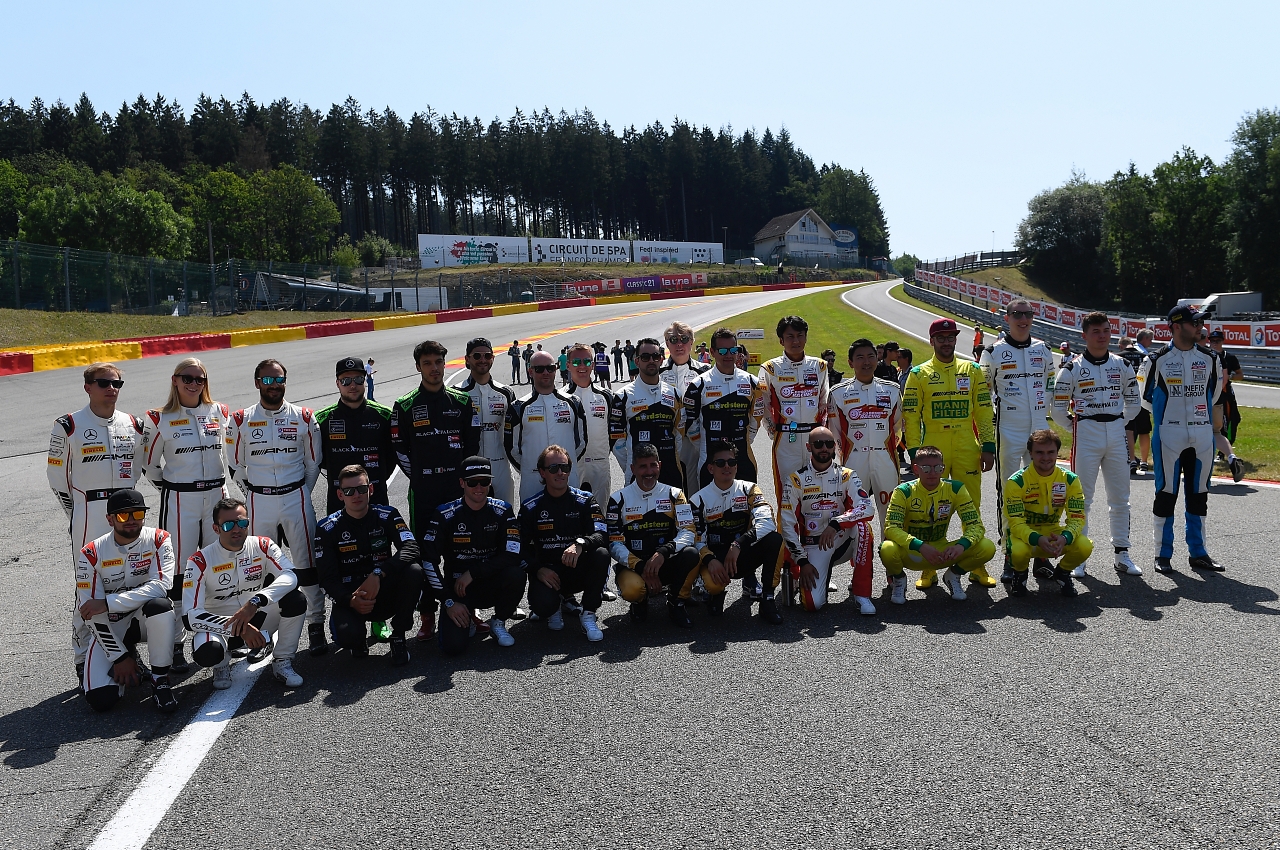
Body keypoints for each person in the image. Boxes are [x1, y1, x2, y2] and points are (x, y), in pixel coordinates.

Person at [49, 362, 145, 682]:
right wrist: (76, 514)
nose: (111, 388)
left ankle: (128, 650)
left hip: (127, 513)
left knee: (129, 581)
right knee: (87, 585)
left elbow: (140, 469)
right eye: (103, 383)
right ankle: (82, 656)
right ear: (87, 387)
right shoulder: (68, 425)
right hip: (89, 513)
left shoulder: (133, 424)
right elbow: (57, 479)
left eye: (117, 383)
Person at [229, 359, 326, 656]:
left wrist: (301, 492)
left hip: (296, 496)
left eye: (279, 379)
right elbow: (235, 466)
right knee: (260, 569)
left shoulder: (304, 416)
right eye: (268, 380)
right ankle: (263, 630)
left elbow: (313, 464)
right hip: (259, 500)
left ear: (285, 381)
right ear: (257, 383)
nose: (274, 385)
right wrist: (253, 494)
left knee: (307, 564)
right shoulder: (240, 419)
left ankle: (316, 623)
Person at [141, 357, 230, 675]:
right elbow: (149, 465)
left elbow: (228, 455)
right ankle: (176, 643)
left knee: (218, 564)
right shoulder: (158, 418)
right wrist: (173, 487)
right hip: (180, 499)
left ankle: (218, 632)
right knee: (178, 571)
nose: (194, 384)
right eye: (187, 378)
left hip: (216, 496)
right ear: (175, 380)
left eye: (200, 378)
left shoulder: (220, 411)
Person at [390, 340, 481, 640]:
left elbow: (472, 445)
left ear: (445, 363)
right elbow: (399, 448)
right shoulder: (405, 405)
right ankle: (427, 614)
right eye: (427, 363)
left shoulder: (462, 401)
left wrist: (463, 480)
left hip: (456, 489)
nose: (434, 368)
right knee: (425, 552)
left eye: (438, 362)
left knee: (462, 549)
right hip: (424, 491)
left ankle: (469, 607)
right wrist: (419, 476)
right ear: (418, 367)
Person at [901, 319, 997, 589]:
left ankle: (976, 565)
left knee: (972, 507)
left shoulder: (972, 369)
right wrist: (914, 451)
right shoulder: (918, 373)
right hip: (933, 444)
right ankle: (929, 567)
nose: (946, 342)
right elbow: (910, 416)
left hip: (967, 442)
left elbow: (984, 411)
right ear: (932, 341)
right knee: (929, 509)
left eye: (950, 337)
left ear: (956, 339)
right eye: (941, 338)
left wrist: (988, 445)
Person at [1050, 311, 1142, 577]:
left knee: (1121, 498)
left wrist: (1119, 421)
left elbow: (1134, 402)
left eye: (1106, 330)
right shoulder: (1071, 368)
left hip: (1116, 432)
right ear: (1085, 336)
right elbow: (1057, 409)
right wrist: (1077, 425)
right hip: (1086, 433)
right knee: (1081, 498)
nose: (1102, 336)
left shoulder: (1123, 365)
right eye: (1096, 332)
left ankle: (1122, 554)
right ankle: (1078, 555)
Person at [184, 497, 308, 689]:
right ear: (216, 528)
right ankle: (221, 664)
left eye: (242, 523)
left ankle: (282, 661)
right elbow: (190, 616)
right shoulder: (199, 560)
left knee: (296, 599)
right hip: (221, 629)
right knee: (208, 652)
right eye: (228, 525)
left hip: (258, 617)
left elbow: (291, 575)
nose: (236, 529)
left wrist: (257, 601)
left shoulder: (263, 545)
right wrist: (240, 627)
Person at [1139, 306, 1225, 573]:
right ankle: (1162, 553)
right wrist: (1170, 417)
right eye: (1194, 323)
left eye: (1200, 322)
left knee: (1199, 494)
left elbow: (1214, 394)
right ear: (1176, 326)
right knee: (1166, 493)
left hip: (1202, 435)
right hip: (1169, 434)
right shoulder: (1155, 359)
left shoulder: (1211, 358)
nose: (1200, 327)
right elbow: (1145, 397)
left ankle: (1198, 552)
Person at [76, 489, 178, 713]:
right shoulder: (91, 553)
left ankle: (160, 680)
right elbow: (91, 612)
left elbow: (161, 586)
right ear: (110, 519)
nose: (132, 520)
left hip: (146, 619)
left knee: (160, 606)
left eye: (138, 514)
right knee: (101, 700)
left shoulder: (160, 539)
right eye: (123, 515)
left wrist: (108, 602)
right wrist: (119, 657)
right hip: (112, 623)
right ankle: (128, 654)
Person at [314, 465, 423, 666]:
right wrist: (349, 600)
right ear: (340, 495)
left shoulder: (387, 514)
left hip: (383, 589)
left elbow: (411, 547)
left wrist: (379, 573)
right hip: (352, 595)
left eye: (362, 489)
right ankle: (357, 640)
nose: (356, 495)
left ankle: (398, 635)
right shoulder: (326, 528)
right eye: (349, 491)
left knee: (414, 571)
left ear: (370, 489)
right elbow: (326, 579)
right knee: (347, 637)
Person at [978, 298, 1055, 581]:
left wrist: (1044, 409)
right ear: (1007, 318)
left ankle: (1042, 554)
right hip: (1008, 428)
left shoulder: (1044, 349)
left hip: (1039, 426)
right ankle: (1011, 554)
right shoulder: (992, 352)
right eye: (1017, 314)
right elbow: (984, 391)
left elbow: (1050, 383)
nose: (1023, 319)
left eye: (1028, 314)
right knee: (1010, 491)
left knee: (1043, 489)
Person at [420, 456, 526, 654]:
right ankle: (466, 616)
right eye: (472, 482)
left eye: (484, 481)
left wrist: (474, 572)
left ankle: (498, 622)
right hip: (459, 590)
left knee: (517, 573)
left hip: (490, 582)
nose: (479, 487)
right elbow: (428, 561)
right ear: (462, 483)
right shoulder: (444, 514)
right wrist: (448, 601)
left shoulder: (503, 510)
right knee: (453, 648)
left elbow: (513, 553)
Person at [880, 446, 997, 604]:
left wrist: (961, 545)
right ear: (916, 469)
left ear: (943, 468)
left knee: (987, 547)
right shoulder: (903, 491)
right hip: (913, 553)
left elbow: (976, 525)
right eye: (926, 468)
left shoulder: (956, 488)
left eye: (938, 468)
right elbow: (891, 528)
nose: (932, 473)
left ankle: (953, 575)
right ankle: (899, 580)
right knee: (886, 548)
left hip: (942, 552)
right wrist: (920, 546)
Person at [780, 427, 877, 613]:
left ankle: (862, 595)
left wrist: (836, 523)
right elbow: (787, 525)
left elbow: (867, 507)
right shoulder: (795, 480)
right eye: (818, 444)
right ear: (809, 447)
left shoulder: (847, 475)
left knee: (863, 528)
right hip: (814, 546)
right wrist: (802, 562)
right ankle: (816, 574)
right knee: (812, 605)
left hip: (841, 538)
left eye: (829, 443)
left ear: (834, 447)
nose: (824, 448)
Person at [606, 443, 701, 627]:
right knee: (633, 590)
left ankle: (676, 601)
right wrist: (641, 566)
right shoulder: (618, 499)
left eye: (653, 465)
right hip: (635, 566)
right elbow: (614, 544)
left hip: (665, 561)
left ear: (660, 465)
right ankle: (639, 602)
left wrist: (664, 552)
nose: (649, 472)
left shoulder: (675, 494)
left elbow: (688, 531)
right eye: (643, 466)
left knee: (692, 554)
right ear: (633, 468)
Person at [520, 446, 609, 641]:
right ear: (542, 472)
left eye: (565, 467)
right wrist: (537, 570)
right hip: (548, 573)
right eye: (553, 468)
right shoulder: (530, 507)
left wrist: (580, 544)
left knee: (601, 554)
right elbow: (518, 548)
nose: (560, 472)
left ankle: (588, 614)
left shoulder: (585, 500)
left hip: (576, 569)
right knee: (543, 606)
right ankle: (554, 607)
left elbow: (602, 534)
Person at [692, 441, 786, 622]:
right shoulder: (698, 500)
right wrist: (710, 560)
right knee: (712, 584)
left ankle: (767, 598)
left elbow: (767, 523)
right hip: (716, 559)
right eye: (720, 463)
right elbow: (696, 541)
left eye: (731, 462)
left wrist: (738, 544)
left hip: (741, 552)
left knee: (775, 539)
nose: (726, 467)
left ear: (736, 466)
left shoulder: (749, 489)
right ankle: (714, 593)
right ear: (711, 468)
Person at [1002, 430, 1092, 597]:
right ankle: (1020, 574)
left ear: (1058, 453)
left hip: (1053, 534)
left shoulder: (1070, 479)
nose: (1045, 457)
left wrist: (1065, 537)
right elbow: (1015, 523)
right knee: (1018, 551)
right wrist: (1037, 538)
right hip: (1025, 535)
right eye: (1039, 452)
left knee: (1085, 546)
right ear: (1030, 453)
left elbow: (1077, 518)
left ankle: (1062, 573)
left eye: (1051, 452)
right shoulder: (1016, 481)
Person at [828, 338, 902, 529]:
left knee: (892, 513)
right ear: (850, 362)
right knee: (852, 512)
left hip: (885, 458)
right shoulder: (838, 392)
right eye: (860, 357)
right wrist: (843, 454)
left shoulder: (892, 390)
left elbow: (898, 426)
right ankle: (858, 548)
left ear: (877, 359)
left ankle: (890, 548)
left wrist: (885, 446)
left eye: (870, 356)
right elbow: (834, 430)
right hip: (853, 459)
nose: (866, 362)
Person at [759, 315, 830, 510]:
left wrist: (822, 432)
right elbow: (763, 404)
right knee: (787, 494)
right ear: (781, 340)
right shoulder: (770, 368)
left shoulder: (820, 366)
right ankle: (787, 531)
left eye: (800, 335)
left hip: (815, 439)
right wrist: (773, 430)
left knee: (818, 493)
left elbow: (825, 400)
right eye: (790, 336)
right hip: (786, 440)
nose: (796, 341)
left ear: (806, 337)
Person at [681, 328, 765, 489]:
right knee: (710, 504)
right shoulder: (699, 385)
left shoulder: (751, 382)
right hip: (710, 458)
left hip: (743, 456)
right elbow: (690, 424)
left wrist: (747, 439)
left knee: (746, 502)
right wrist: (704, 446)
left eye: (733, 350)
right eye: (723, 351)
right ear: (712, 352)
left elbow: (756, 417)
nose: (728, 355)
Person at [315, 356, 395, 515]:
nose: (353, 385)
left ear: (365, 380)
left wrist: (377, 479)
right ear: (337, 383)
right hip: (338, 503)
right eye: (346, 381)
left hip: (376, 499)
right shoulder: (321, 419)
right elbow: (317, 461)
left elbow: (393, 457)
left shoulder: (385, 416)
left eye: (358, 379)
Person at [508, 350, 588, 503]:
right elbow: (512, 449)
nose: (545, 372)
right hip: (533, 479)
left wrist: (562, 468)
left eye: (550, 368)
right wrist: (532, 468)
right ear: (530, 371)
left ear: (555, 370)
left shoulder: (573, 402)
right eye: (539, 369)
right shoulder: (518, 407)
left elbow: (581, 443)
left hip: (566, 478)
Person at [611, 338, 688, 490]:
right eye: (645, 357)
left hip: (670, 471)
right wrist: (633, 465)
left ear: (661, 359)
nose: (651, 360)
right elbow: (616, 441)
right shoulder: (623, 396)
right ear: (637, 361)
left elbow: (679, 435)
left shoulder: (675, 394)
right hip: (638, 475)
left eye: (656, 356)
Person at [459, 338, 517, 505]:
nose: (482, 360)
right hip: (469, 468)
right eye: (477, 356)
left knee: (505, 514)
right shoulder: (456, 393)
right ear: (467, 359)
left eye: (487, 355)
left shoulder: (506, 392)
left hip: (501, 467)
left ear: (493, 358)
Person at [660, 321, 712, 496]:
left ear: (692, 342)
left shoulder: (705, 371)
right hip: (666, 440)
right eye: (673, 340)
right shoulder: (656, 373)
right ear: (667, 344)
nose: (679, 344)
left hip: (696, 441)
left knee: (695, 488)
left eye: (684, 339)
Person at [564, 342, 617, 502]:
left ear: (593, 365)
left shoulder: (606, 396)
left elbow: (614, 432)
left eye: (587, 361)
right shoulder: (559, 397)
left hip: (600, 464)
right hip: (572, 466)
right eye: (576, 362)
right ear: (568, 365)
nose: (582, 366)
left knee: (600, 512)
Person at [1207, 329, 1244, 482]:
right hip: (1212, 395)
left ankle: (1225, 452)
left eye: (1217, 341)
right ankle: (1220, 453)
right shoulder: (1206, 355)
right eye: (1212, 341)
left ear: (1222, 341)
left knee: (1231, 420)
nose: (1215, 343)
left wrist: (1230, 376)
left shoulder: (1229, 357)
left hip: (1226, 394)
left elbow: (1240, 375)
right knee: (1215, 426)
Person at [1119, 337, 1153, 475]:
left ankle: (1132, 459)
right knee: (1144, 430)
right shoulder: (1145, 357)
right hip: (1142, 397)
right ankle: (1144, 462)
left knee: (1129, 429)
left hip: (1126, 399)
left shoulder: (1118, 358)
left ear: (1121, 346)